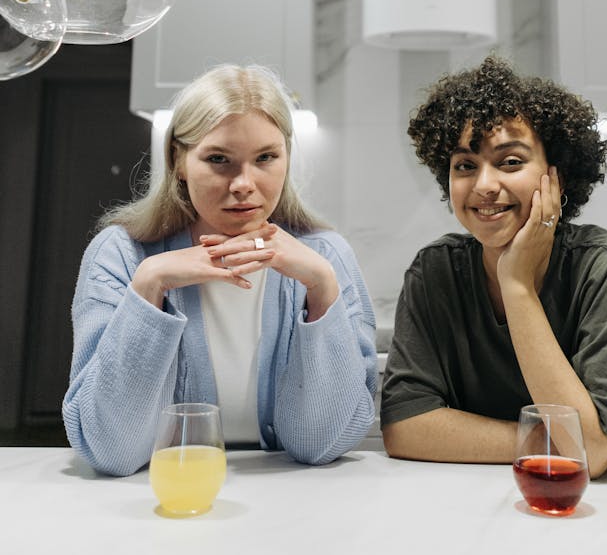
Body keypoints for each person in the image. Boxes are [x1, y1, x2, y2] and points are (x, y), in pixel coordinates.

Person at [380, 55, 607, 478]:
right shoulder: (435, 271)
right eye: (465, 166)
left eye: (510, 162)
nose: (484, 185)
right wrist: (561, 442)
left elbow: (591, 455)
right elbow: (404, 430)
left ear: (558, 177)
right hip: (457, 510)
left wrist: (516, 285)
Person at [63, 64, 377, 476]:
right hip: (160, 504)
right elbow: (112, 450)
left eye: (266, 157)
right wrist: (148, 286)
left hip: (294, 503)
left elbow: (321, 445)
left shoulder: (326, 258)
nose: (244, 183)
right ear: (178, 160)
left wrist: (320, 286)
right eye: (218, 160)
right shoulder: (122, 256)